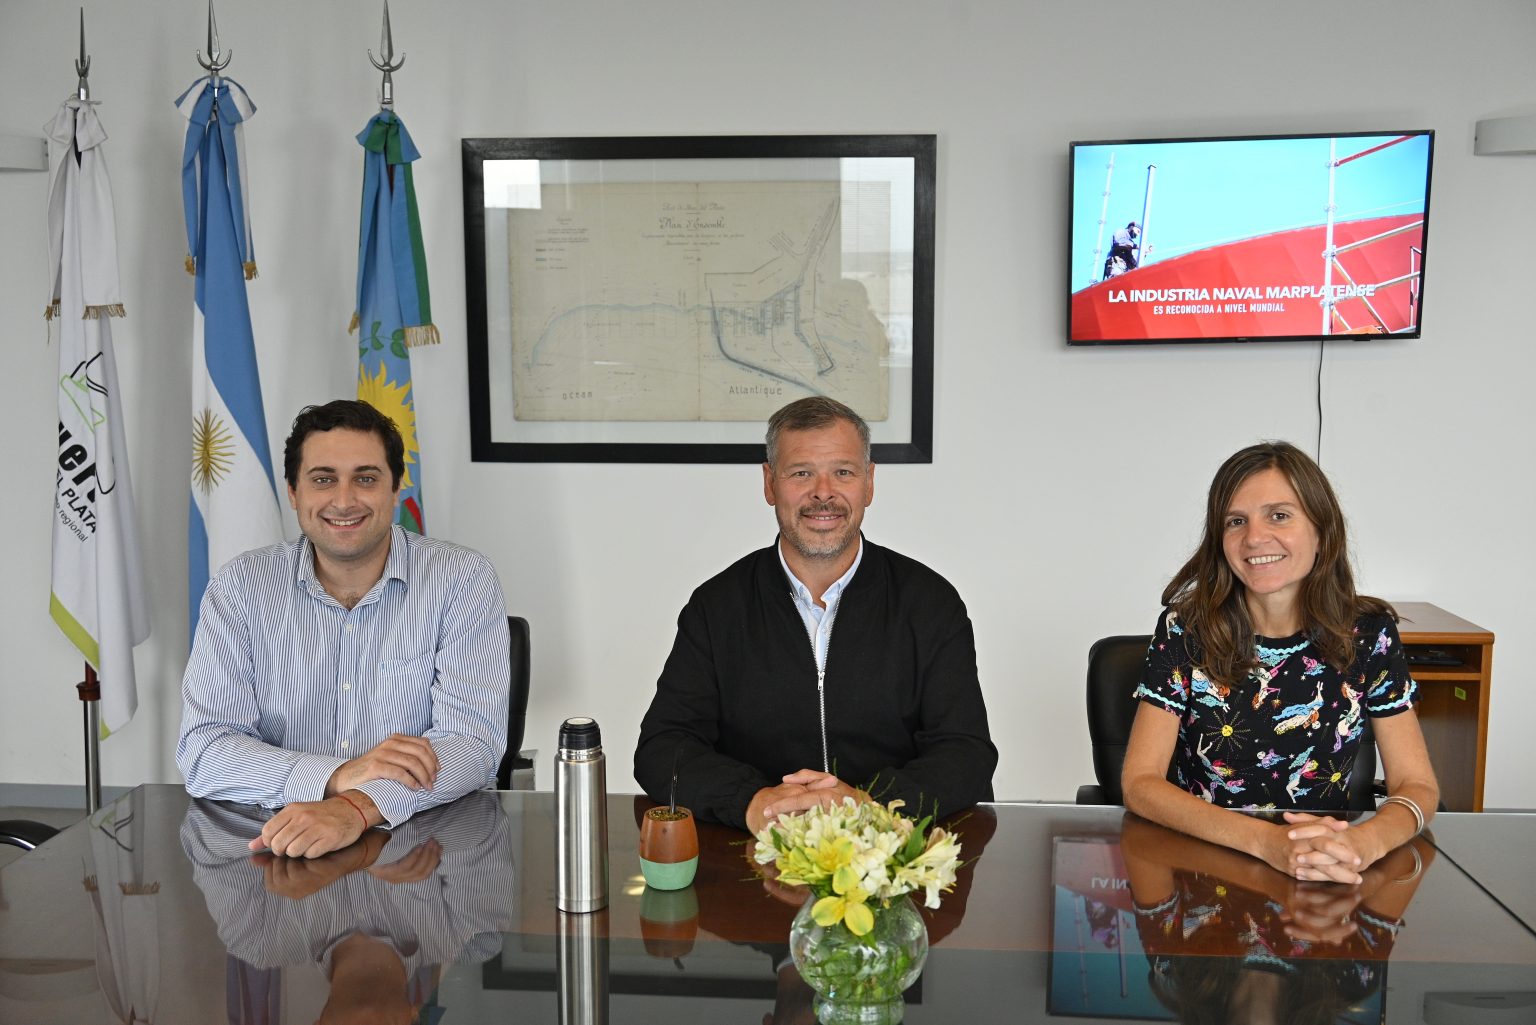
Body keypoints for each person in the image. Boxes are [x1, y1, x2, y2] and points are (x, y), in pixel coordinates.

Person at [634, 396, 996, 833]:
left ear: (869, 483)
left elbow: (965, 751)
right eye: (801, 473)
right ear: (770, 483)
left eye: (843, 472)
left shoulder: (930, 603)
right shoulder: (716, 607)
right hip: (757, 851)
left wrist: (869, 806)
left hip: (896, 850)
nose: (823, 493)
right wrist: (752, 802)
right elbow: (664, 747)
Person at [177, 399, 510, 859]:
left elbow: (472, 745)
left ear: (396, 489)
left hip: (421, 853)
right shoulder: (240, 587)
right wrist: (338, 776)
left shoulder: (462, 579)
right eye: (323, 479)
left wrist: (356, 807)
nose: (344, 500)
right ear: (294, 492)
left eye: (366, 479)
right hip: (275, 844)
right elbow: (205, 749)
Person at [1122, 441, 1439, 885]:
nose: (1254, 538)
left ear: (1321, 531)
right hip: (1205, 868)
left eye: (1279, 515)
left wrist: (1364, 844)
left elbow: (1417, 785)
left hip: (1324, 873)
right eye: (1236, 521)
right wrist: (1267, 843)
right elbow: (1140, 783)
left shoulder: (1369, 635)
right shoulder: (1185, 630)